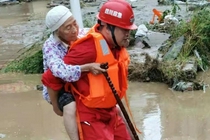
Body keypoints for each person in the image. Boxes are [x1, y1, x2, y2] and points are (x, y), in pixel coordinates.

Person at [42, 0, 137, 139]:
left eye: (129, 30)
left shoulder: (108, 41)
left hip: (108, 109)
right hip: (91, 115)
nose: (128, 34)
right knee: (70, 107)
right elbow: (50, 78)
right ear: (107, 27)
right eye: (124, 30)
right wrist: (56, 106)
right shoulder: (83, 48)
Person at [42, 5, 105, 140]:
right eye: (68, 27)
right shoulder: (50, 47)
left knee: (109, 102)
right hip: (58, 88)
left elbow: (99, 34)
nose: (74, 30)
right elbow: (60, 72)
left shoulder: (82, 34)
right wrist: (87, 67)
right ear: (57, 31)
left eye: (74, 23)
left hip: (79, 81)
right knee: (70, 107)